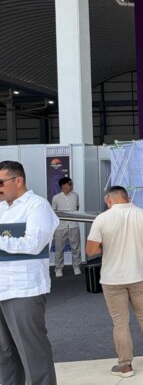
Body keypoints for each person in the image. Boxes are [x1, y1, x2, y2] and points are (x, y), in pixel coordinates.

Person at [85, 186, 143, 378]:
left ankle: (125, 366)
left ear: (109, 201)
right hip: (138, 275)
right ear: (127, 197)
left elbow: (90, 250)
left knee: (120, 323)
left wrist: (107, 245)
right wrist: (138, 242)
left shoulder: (102, 219)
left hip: (112, 279)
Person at [0, 161, 59, 385]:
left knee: (32, 352)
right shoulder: (2, 208)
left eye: (1, 182)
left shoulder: (37, 206)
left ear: (18, 180)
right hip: (1, 287)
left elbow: (34, 243)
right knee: (4, 354)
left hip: (23, 289)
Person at [51, 176, 82, 277]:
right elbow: (54, 212)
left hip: (74, 225)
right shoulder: (56, 198)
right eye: (70, 184)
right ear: (63, 186)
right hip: (60, 227)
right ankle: (58, 268)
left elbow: (77, 208)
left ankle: (76, 266)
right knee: (59, 249)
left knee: (76, 247)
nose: (72, 186)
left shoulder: (76, 195)